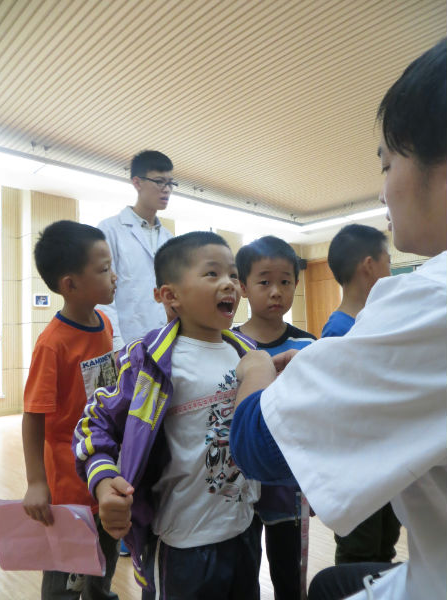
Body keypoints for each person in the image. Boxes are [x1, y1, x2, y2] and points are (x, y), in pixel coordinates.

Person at [229, 38, 447, 600]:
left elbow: (256, 444)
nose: (384, 188)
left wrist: (256, 371)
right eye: (261, 281)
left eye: (388, 163)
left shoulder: (424, 301)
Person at [73, 231, 262, 599]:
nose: (229, 284)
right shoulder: (148, 360)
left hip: (244, 530)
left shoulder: (246, 352)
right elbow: (94, 422)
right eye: (212, 273)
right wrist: (103, 479)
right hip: (183, 544)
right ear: (170, 295)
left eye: (233, 274)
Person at [22, 220, 120, 599]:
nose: (114, 276)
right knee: (65, 577)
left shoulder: (104, 322)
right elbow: (34, 415)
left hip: (104, 469)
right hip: (67, 484)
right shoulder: (53, 343)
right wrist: (37, 482)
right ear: (70, 284)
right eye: (104, 269)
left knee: (102, 565)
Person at [235, 235, 316, 600]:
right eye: (264, 281)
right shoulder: (228, 345)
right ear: (243, 287)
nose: (276, 292)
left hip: (289, 483)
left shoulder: (308, 346)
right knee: (242, 575)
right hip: (238, 486)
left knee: (289, 576)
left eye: (285, 281)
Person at [322, 224, 401, 566]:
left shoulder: (375, 323)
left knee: (384, 549)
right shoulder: (340, 330)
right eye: (388, 262)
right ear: (370, 266)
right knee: (359, 555)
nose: (390, 271)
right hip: (357, 471)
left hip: (384, 463)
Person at [97, 150, 175, 351]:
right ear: (137, 182)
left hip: (165, 342)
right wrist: (116, 346)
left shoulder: (169, 239)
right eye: (159, 182)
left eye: (170, 183)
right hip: (126, 343)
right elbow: (102, 293)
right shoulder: (110, 230)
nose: (167, 190)